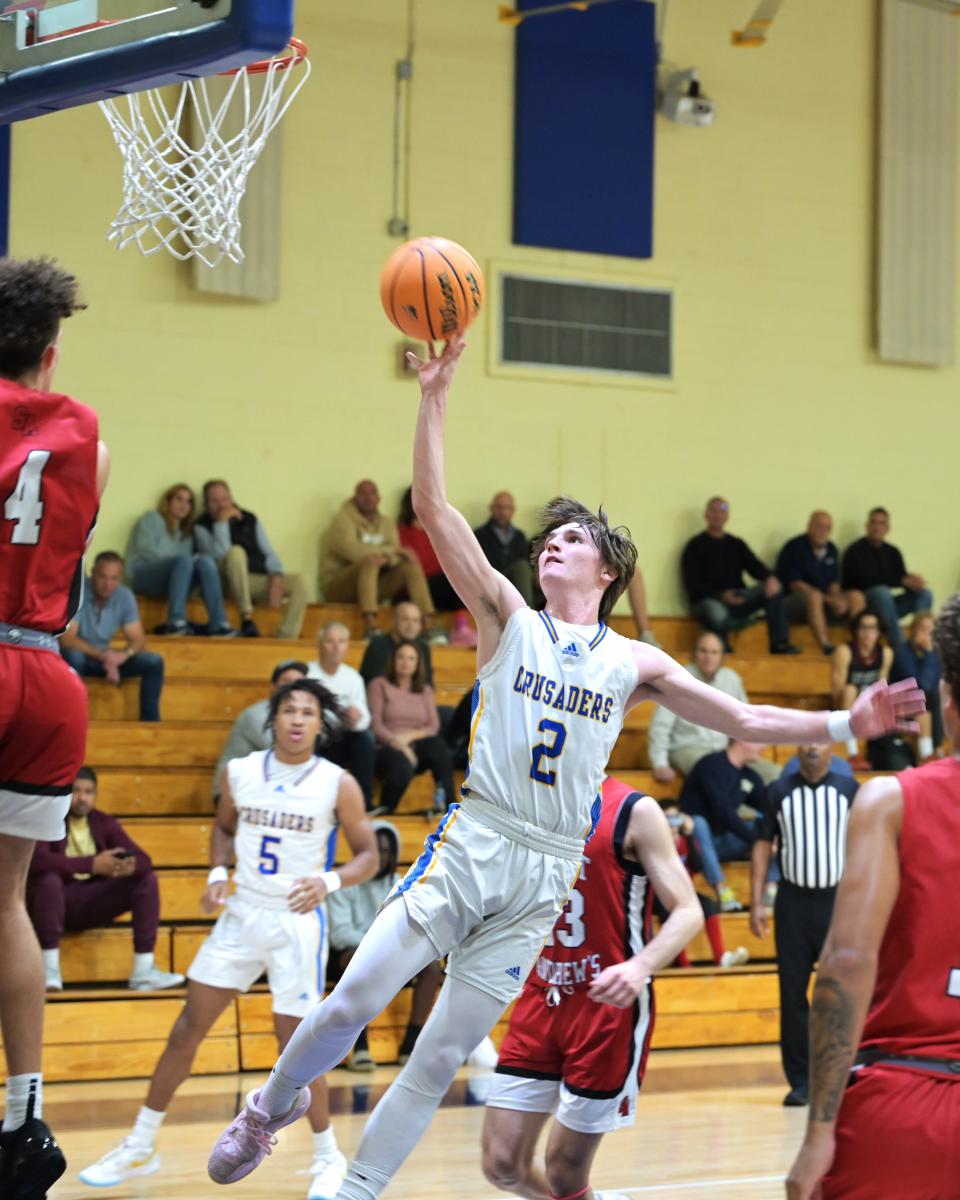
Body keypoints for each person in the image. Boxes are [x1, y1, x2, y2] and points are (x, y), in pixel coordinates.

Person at [207, 335, 922, 1199]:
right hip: (475, 839)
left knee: (438, 1054)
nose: (552, 544)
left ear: (610, 568)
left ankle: (357, 1190)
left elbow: (741, 716)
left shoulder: (633, 661)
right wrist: (434, 395)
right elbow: (433, 506)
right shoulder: (509, 617)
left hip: (543, 872)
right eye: (549, 536)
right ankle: (268, 1108)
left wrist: (848, 717)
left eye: (572, 538)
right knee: (351, 1002)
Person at [79, 678, 378, 1200]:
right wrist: (217, 871)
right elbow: (222, 828)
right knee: (186, 1028)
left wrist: (328, 881)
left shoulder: (337, 783)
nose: (297, 719)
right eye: (289, 709)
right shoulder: (238, 772)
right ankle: (140, 1142)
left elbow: (370, 856)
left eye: (308, 711)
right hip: (241, 914)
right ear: (273, 717)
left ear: (320, 724)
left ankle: (329, 1158)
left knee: (299, 1050)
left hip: (295, 922)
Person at [785, 597, 958, 1200]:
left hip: (903, 1102)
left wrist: (819, 1130)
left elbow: (845, 967)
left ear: (947, 698)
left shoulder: (892, 801)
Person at [0, 255, 108, 1197]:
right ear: (50, 348)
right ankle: (24, 1116)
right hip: (45, 671)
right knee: (7, 898)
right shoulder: (92, 442)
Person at [481, 774, 703, 1200]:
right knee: (502, 1164)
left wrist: (641, 966)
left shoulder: (634, 810)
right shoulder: (520, 803)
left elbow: (689, 910)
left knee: (565, 1173)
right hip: (539, 996)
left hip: (606, 1006)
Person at [749, 743, 858, 1107]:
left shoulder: (848, 788)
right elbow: (763, 844)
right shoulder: (778, 791)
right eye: (807, 740)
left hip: (836, 903)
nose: (813, 747)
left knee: (839, 994)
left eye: (821, 741)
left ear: (833, 749)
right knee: (792, 994)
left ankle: (841, 1075)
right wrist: (756, 902)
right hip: (793, 904)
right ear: (797, 748)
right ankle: (801, 1081)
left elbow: (866, 842)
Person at [27, 765, 184, 992]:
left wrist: (127, 866)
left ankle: (143, 970)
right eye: (76, 791)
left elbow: (145, 859)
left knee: (146, 879)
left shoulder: (104, 822)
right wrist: (92, 864)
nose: (82, 798)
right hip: (53, 902)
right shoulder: (50, 819)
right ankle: (48, 970)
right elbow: (37, 861)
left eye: (88, 792)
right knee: (48, 880)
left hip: (92, 902)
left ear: (96, 794)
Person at [328, 821, 443, 1070]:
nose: (380, 856)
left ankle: (410, 1044)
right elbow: (339, 934)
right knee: (354, 959)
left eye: (386, 850)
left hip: (391, 952)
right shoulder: (346, 881)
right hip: (346, 956)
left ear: (394, 853)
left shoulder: (403, 883)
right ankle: (359, 1048)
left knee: (432, 968)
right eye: (375, 849)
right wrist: (379, 946)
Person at [648, 631, 779, 785]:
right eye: (703, 651)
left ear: (722, 657)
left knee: (774, 773)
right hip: (687, 749)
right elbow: (660, 727)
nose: (708, 657)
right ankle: (741, 810)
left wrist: (747, 750)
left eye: (714, 652)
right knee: (718, 772)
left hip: (723, 752)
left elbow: (745, 720)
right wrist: (660, 763)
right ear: (694, 654)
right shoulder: (677, 679)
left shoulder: (731, 679)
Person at [681, 495, 797, 654]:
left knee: (774, 587)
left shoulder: (736, 544)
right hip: (709, 601)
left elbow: (756, 567)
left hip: (739, 598)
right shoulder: (695, 546)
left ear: (727, 516)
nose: (717, 515)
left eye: (722, 511)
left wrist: (770, 578)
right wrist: (721, 596)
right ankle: (723, 649)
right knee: (716, 611)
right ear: (706, 515)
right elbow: (692, 584)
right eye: (713, 511)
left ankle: (779, 644)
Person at [322, 480, 436, 640]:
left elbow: (397, 554)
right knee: (370, 561)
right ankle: (370, 625)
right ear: (354, 497)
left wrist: (390, 555)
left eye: (372, 493)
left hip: (372, 586)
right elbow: (353, 552)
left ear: (379, 498)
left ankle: (428, 624)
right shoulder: (342, 520)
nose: (368, 498)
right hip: (340, 586)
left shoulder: (387, 523)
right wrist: (389, 553)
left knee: (409, 565)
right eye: (363, 493)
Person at [194, 479, 307, 639]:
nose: (222, 505)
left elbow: (268, 551)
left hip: (250, 580)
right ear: (206, 505)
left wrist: (276, 574)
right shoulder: (201, 526)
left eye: (225, 499)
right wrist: (221, 523)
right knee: (236, 552)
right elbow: (219, 554)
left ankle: (285, 636)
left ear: (232, 499)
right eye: (215, 501)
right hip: (223, 583)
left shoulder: (249, 518)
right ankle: (246, 617)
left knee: (300, 582)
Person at [60, 551, 165, 721]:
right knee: (74, 657)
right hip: (85, 657)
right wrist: (104, 657)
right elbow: (67, 640)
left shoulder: (124, 596)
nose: (108, 584)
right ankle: (73, 718)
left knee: (154, 662)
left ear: (120, 579)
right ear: (92, 573)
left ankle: (151, 724)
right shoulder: (78, 592)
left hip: (108, 659)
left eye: (114, 578)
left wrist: (123, 655)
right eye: (103, 577)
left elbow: (138, 639)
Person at [124, 483, 236, 637]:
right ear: (168, 501)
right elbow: (146, 552)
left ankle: (219, 623)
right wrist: (178, 563)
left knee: (204, 560)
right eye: (179, 499)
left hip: (170, 582)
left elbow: (185, 569)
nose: (184, 505)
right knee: (184, 560)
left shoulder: (187, 535)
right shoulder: (152, 518)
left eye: (189, 501)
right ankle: (175, 622)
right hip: (143, 575)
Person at [678, 740, 770, 913]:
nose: (763, 746)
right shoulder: (711, 765)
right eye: (758, 741)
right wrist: (755, 840)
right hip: (694, 846)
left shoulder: (748, 776)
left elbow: (768, 805)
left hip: (722, 842)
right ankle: (722, 891)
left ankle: (771, 889)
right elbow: (723, 811)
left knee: (771, 826)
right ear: (741, 740)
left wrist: (773, 834)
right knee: (698, 823)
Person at [367, 639, 455, 815]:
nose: (405, 662)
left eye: (411, 658)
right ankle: (386, 811)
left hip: (416, 745)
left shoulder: (425, 690)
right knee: (402, 764)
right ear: (393, 660)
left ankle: (450, 806)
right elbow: (374, 724)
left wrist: (409, 738)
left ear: (417, 664)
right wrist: (399, 744)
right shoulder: (379, 685)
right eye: (401, 657)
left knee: (438, 746)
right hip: (387, 746)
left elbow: (433, 726)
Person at [659, 802, 749, 969]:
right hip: (659, 893)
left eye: (675, 818)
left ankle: (720, 956)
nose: (672, 824)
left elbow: (697, 865)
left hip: (684, 891)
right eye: (667, 819)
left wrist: (691, 836)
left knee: (708, 904)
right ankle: (683, 963)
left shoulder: (685, 841)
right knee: (672, 911)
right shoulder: (655, 843)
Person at [211, 660, 308, 802]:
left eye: (299, 684)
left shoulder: (297, 718)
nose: (293, 689)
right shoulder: (256, 715)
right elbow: (285, 751)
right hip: (231, 792)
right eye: (287, 682)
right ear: (272, 687)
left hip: (264, 788)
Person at [840, 507, 933, 649]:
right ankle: (899, 647)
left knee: (925, 594)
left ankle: (918, 640)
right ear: (867, 526)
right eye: (874, 523)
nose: (877, 527)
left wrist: (913, 582)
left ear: (887, 528)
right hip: (866, 605)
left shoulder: (893, 552)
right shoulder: (855, 550)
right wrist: (901, 581)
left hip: (888, 606)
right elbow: (863, 580)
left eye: (882, 523)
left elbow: (901, 577)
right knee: (881, 591)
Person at [307, 622, 376, 808]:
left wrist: (355, 719)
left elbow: (365, 718)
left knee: (364, 739)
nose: (336, 647)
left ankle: (364, 804)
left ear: (347, 646)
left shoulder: (353, 677)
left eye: (341, 641)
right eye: (330, 641)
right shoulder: (307, 674)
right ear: (320, 644)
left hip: (342, 738)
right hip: (316, 740)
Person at [398, 485, 475, 647]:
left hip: (439, 585)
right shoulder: (402, 530)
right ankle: (443, 627)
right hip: (414, 586)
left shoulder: (437, 528)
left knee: (461, 575)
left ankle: (461, 627)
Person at [777, 511, 862, 656]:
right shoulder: (794, 547)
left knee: (856, 596)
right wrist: (829, 600)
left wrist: (836, 599)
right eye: (819, 526)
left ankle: (860, 646)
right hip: (793, 603)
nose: (823, 532)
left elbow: (834, 582)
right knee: (814, 595)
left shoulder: (831, 549)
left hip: (823, 604)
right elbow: (796, 584)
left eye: (827, 528)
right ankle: (826, 646)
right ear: (809, 526)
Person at [830, 610, 893, 768]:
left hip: (869, 705)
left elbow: (882, 689)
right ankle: (852, 753)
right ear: (856, 631)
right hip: (845, 706)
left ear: (879, 632)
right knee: (850, 689)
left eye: (872, 628)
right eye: (863, 628)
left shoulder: (885, 653)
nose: (868, 633)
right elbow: (836, 691)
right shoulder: (845, 651)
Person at [891, 611, 942, 761]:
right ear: (913, 630)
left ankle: (932, 752)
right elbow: (920, 684)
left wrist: (930, 654)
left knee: (933, 699)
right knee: (928, 695)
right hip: (900, 704)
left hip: (924, 708)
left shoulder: (936, 654)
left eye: (930, 630)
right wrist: (928, 652)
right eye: (922, 629)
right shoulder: (901, 652)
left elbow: (934, 684)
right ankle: (935, 749)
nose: (926, 634)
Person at [473, 490, 534, 605]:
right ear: (492, 508)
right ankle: (528, 616)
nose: (503, 512)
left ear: (513, 510)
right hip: (491, 582)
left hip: (515, 585)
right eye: (499, 507)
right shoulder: (479, 535)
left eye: (507, 508)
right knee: (521, 567)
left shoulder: (519, 536)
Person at [359, 601, 434, 688]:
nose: (410, 625)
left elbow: (428, 683)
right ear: (394, 621)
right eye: (405, 619)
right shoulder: (377, 645)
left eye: (415, 621)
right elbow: (371, 682)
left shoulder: (424, 648)